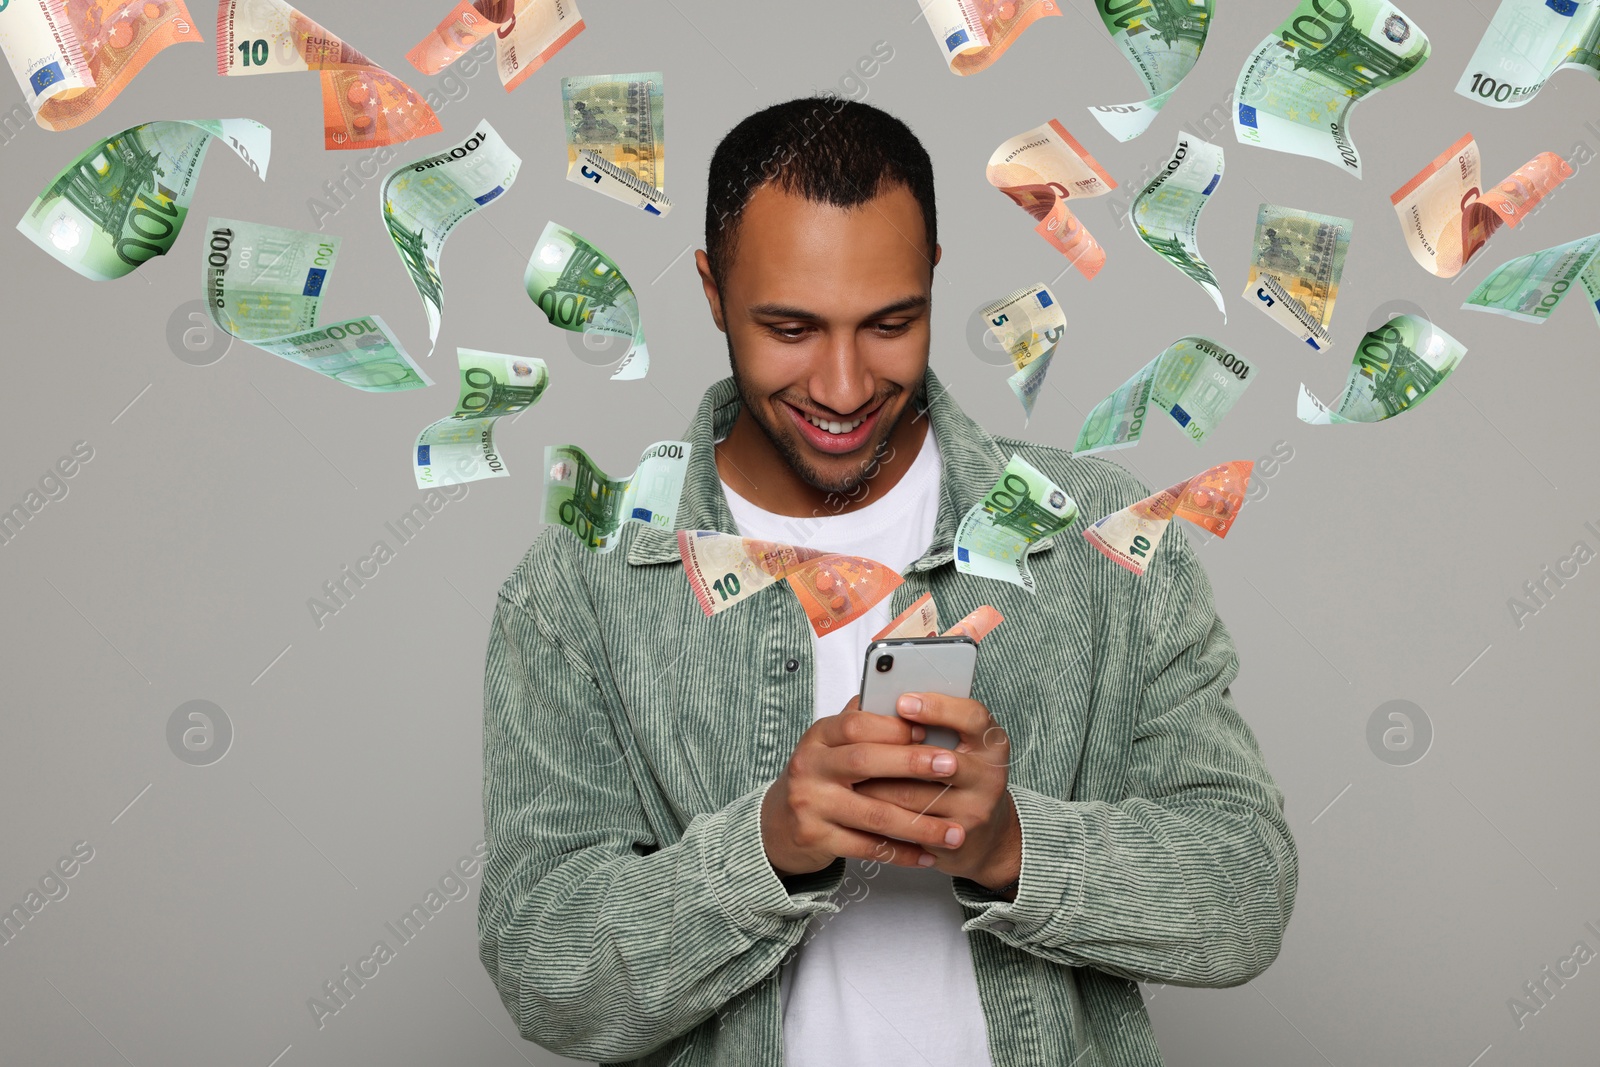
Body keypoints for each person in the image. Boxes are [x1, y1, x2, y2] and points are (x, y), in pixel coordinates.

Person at [478, 96, 1298, 1067]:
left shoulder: (1096, 537)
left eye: (889, 323)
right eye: (788, 327)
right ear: (710, 289)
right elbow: (544, 971)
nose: (840, 385)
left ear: (933, 280)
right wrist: (769, 846)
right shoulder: (583, 580)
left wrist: (1006, 846)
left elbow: (1246, 890)